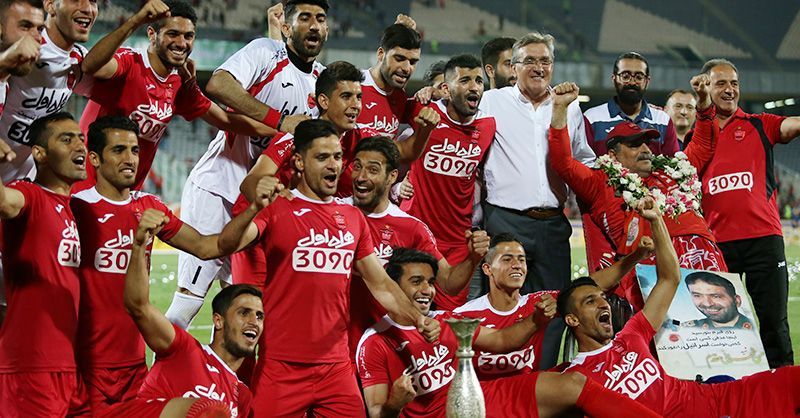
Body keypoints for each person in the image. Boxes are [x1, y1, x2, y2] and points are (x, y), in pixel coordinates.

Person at [217, 119, 440, 416]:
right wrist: (254, 207)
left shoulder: (352, 217)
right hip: (281, 365)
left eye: (337, 156)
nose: (333, 165)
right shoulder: (277, 208)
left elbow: (382, 284)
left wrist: (417, 319)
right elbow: (227, 244)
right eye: (322, 157)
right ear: (299, 162)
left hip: (336, 369)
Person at [167, 0, 328, 329]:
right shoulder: (264, 51)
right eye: (305, 17)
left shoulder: (322, 80)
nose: (314, 25)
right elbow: (219, 84)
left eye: (321, 19)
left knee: (240, 307)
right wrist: (280, 121)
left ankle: (221, 365)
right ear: (286, 26)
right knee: (190, 299)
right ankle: (159, 365)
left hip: (259, 208)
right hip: (219, 190)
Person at [70, 115, 247, 413]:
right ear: (95, 158)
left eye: (134, 150)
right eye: (118, 150)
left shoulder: (148, 207)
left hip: (133, 365)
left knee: (208, 411)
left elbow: (206, 247)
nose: (130, 159)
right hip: (85, 364)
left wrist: (256, 210)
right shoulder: (76, 208)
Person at [356, 247, 664, 418]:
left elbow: (502, 340)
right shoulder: (375, 343)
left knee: (573, 384)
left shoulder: (447, 319)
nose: (427, 290)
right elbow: (376, 412)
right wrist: (395, 403)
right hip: (447, 414)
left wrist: (536, 321)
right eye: (416, 282)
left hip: (485, 397)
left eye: (430, 282)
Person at [560, 200, 800, 418]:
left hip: (718, 399)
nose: (603, 303)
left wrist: (656, 220)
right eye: (590, 301)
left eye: (602, 297)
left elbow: (669, 279)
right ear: (572, 319)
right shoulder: (572, 380)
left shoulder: (631, 335)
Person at [548, 78, 724, 310]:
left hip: (703, 259)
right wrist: (560, 108)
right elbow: (563, 162)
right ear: (612, 155)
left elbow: (703, 145)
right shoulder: (600, 182)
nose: (645, 149)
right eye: (634, 144)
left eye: (647, 143)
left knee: (720, 328)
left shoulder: (671, 171)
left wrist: (703, 102)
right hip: (650, 270)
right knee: (663, 332)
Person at [478, 31, 595, 369]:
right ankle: (503, 378)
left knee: (554, 306)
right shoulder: (492, 101)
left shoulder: (569, 108)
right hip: (505, 220)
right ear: (513, 67)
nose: (538, 67)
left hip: (552, 225)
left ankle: (541, 377)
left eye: (545, 60)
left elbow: (583, 159)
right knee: (503, 303)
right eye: (529, 60)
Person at [75, 0, 274, 192]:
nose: (181, 43)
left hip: (125, 193)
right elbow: (90, 66)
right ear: (152, 34)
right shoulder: (129, 63)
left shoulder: (180, 84)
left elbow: (225, 120)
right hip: (85, 185)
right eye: (173, 34)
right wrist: (135, 21)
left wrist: (281, 127)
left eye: (189, 36)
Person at [99, 218, 262, 418]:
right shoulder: (184, 349)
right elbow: (139, 307)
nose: (254, 321)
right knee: (212, 411)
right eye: (244, 313)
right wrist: (139, 246)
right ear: (218, 320)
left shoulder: (242, 397)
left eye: (259, 316)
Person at [348, 136, 488, 364]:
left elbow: (448, 283)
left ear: (392, 176)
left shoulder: (411, 228)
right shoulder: (333, 214)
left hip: (386, 346)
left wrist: (472, 259)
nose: (361, 177)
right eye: (357, 167)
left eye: (373, 170)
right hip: (334, 341)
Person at [700, 57, 800, 368]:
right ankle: (730, 389)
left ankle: (784, 392)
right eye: (721, 83)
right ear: (706, 87)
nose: (730, 89)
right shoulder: (696, 137)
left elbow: (791, 125)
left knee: (774, 324)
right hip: (717, 246)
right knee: (720, 331)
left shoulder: (759, 124)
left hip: (763, 241)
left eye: (734, 83)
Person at [240, 60, 438, 202]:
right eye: (346, 96)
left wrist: (425, 130)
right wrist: (283, 202)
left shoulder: (362, 136)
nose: (356, 105)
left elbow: (406, 152)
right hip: (268, 228)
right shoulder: (296, 136)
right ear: (324, 101)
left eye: (359, 97)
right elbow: (250, 183)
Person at [0, 112, 90, 417]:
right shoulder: (31, 195)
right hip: (32, 367)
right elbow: (4, 202)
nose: (79, 146)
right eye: (66, 139)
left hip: (66, 366)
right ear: (40, 154)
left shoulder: (68, 207)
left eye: (80, 138)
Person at [400, 54, 495, 310]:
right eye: (464, 80)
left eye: (478, 81)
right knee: (410, 314)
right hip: (418, 234)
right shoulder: (423, 111)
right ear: (446, 88)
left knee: (450, 320)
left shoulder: (488, 125)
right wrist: (396, 187)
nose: (474, 87)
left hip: (458, 241)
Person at [0, 0, 98, 183]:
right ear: (50, 5)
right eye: (25, 26)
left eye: (93, 1)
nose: (86, 8)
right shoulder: (16, 54)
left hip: (20, 182)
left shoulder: (78, 61)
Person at [454, 233, 557, 377]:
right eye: (507, 260)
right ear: (487, 269)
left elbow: (579, 294)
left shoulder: (540, 303)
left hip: (527, 388)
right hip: (484, 391)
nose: (517, 265)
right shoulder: (465, 315)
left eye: (521, 260)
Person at [583, 52, 679, 157]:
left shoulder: (662, 120)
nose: (632, 82)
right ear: (614, 79)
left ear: (647, 81)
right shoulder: (592, 118)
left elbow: (672, 163)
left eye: (639, 77)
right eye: (625, 76)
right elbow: (584, 161)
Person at [358, 22, 420, 138]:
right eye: (399, 59)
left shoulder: (401, 97)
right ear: (381, 54)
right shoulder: (354, 84)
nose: (407, 68)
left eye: (413, 62)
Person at [0, 0, 44, 100]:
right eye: (25, 27)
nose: (38, 37)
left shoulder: (4, 85)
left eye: (40, 29)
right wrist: (5, 59)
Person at [683, 271, 755, 329]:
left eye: (716, 296)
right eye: (697, 295)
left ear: (737, 300)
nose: (707, 304)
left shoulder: (754, 328)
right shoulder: (687, 329)